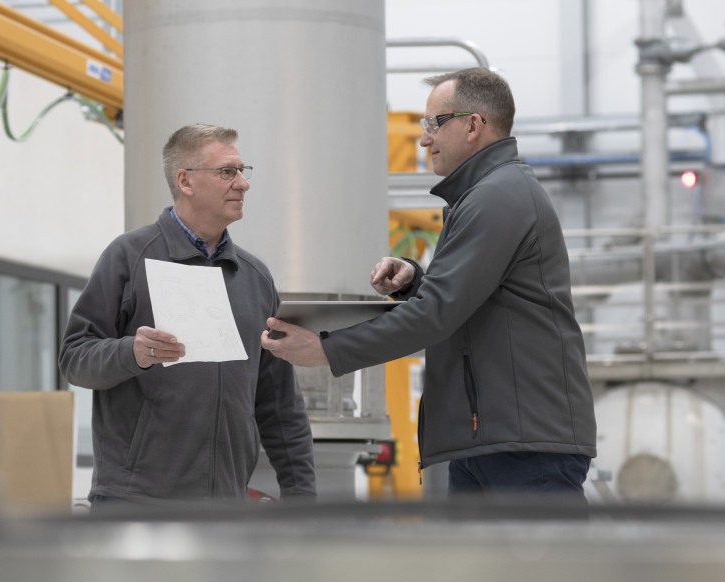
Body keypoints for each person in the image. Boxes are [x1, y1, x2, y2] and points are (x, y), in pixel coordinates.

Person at [262, 68, 596, 502]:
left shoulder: (499, 196)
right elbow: (468, 304)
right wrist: (417, 281)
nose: (424, 139)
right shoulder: (484, 195)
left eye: (434, 123)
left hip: (522, 445)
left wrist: (327, 349)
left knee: (542, 573)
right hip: (495, 437)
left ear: (473, 124)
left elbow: (437, 314)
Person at [59, 124, 316, 509]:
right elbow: (75, 358)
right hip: (136, 503)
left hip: (226, 506)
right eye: (227, 172)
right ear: (186, 181)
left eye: (243, 171)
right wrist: (133, 353)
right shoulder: (129, 257)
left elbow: (278, 401)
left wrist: (302, 498)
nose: (243, 183)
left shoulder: (256, 278)